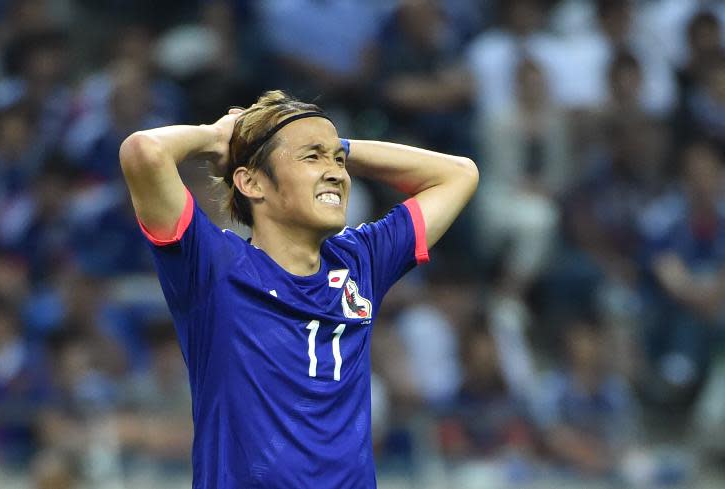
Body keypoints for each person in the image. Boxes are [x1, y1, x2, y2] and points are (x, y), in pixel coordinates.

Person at [118, 90, 478, 488]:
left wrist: (336, 145)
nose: (337, 174)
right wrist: (217, 136)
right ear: (251, 182)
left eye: (338, 163)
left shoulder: (361, 262)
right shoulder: (214, 267)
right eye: (312, 158)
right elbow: (143, 151)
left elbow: (459, 174)